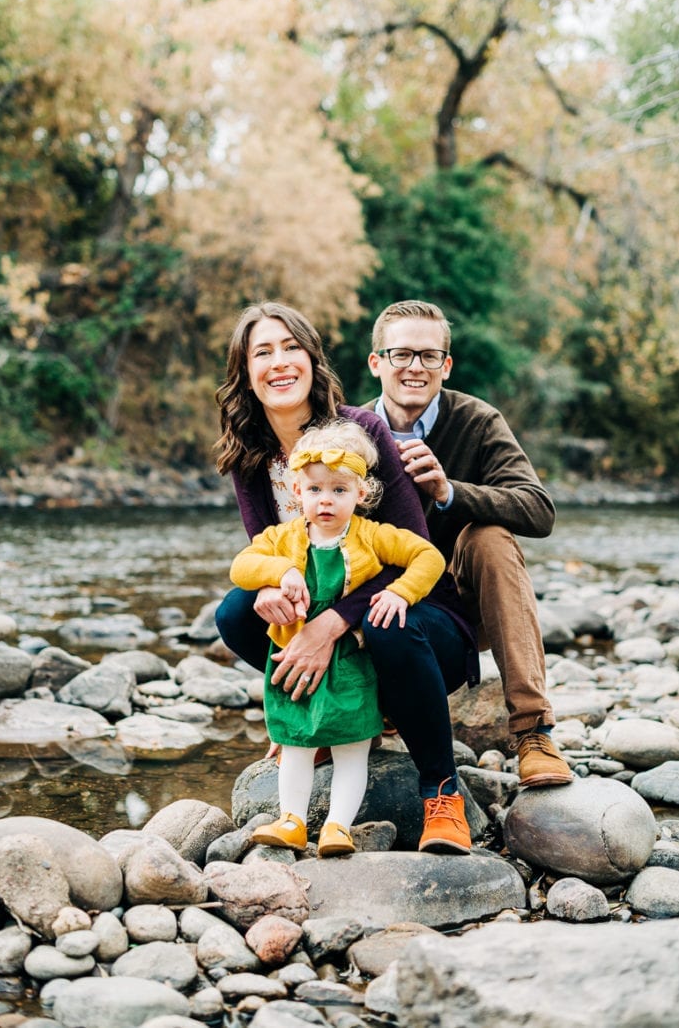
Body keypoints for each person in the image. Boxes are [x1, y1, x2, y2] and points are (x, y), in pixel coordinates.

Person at [214, 301, 479, 854]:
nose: (280, 362)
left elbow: (416, 554)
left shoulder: (361, 430)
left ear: (313, 359)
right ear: (245, 371)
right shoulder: (251, 454)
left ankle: (442, 793)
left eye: (291, 348)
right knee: (237, 612)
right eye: (263, 352)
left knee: (386, 623)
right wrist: (271, 586)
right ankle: (327, 719)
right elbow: (263, 550)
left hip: (421, 623)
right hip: (327, 624)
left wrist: (331, 623)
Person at [365, 299, 574, 787]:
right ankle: (367, 709)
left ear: (446, 365)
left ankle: (533, 731)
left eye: (429, 356)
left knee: (490, 538)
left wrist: (449, 491)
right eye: (401, 355)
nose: (415, 367)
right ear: (377, 362)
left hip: (460, 604)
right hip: (382, 607)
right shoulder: (353, 430)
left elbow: (538, 509)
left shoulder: (477, 421)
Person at [229, 419, 448, 856]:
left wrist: (400, 592)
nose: (325, 501)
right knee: (294, 742)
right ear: (296, 493)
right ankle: (291, 819)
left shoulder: (372, 536)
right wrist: (281, 572)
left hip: (349, 663)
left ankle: (337, 826)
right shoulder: (282, 539)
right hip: (296, 658)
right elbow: (241, 567)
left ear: (361, 494)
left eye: (339, 491)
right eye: (314, 491)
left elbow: (428, 556)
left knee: (351, 748)